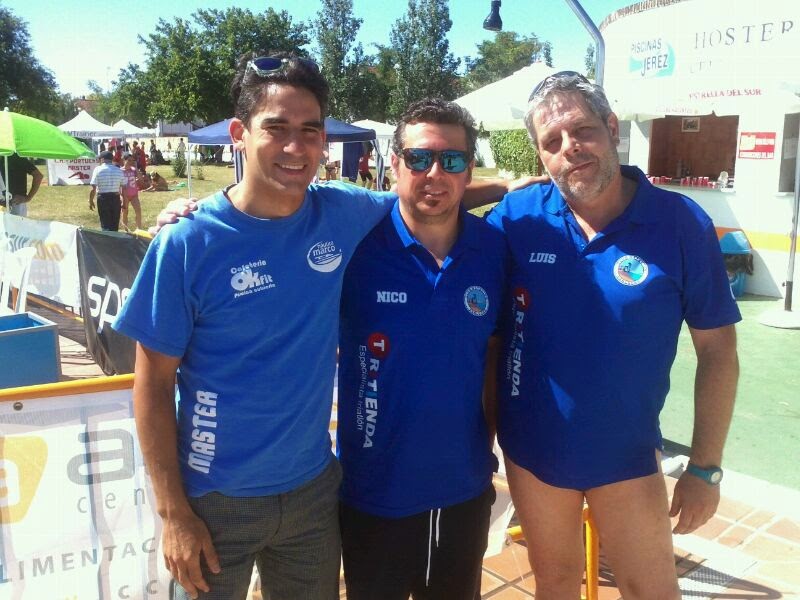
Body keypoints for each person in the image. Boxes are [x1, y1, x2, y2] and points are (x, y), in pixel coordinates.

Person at [130, 52, 530, 600]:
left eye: (309, 131)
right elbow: (151, 386)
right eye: (276, 128)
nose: (295, 147)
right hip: (215, 500)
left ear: (324, 141)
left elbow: (421, 194)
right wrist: (172, 513)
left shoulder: (340, 213)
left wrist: (512, 184)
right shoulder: (187, 241)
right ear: (238, 135)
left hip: (312, 495)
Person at [486, 71, 741, 600]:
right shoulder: (517, 218)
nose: (570, 148)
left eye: (582, 130)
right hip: (533, 451)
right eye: (552, 142)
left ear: (611, 127)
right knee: (555, 583)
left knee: (651, 590)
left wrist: (706, 467)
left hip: (627, 455)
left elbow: (717, 350)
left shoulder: (680, 223)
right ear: (540, 156)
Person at [337, 98, 505, 600]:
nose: (435, 173)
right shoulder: (354, 244)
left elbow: (494, 357)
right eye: (419, 158)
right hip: (372, 492)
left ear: (469, 169)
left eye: (452, 160)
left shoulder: (495, 249)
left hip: (463, 491)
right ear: (394, 164)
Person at [88, 150, 125, 231]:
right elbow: (123, 188)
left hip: (103, 198)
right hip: (115, 198)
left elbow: (93, 188)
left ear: (102, 159)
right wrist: (124, 201)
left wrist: (90, 201)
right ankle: (113, 237)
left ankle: (106, 238)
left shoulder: (97, 169)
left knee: (105, 223)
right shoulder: (119, 170)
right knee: (115, 223)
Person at [2, 153, 43, 217]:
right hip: (4, 203)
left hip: (15, 204)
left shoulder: (16, 158)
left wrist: (28, 198)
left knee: (16, 223)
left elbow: (38, 176)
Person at [120, 153, 143, 231]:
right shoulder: (120, 171)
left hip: (134, 194)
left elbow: (140, 179)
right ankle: (126, 230)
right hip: (124, 195)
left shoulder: (133, 170)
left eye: (132, 160)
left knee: (138, 211)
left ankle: (139, 229)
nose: (131, 162)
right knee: (125, 212)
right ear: (124, 160)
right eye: (129, 160)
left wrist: (136, 168)